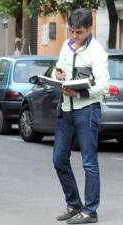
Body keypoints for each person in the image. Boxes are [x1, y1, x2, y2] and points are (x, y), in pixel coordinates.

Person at [52, 8, 109, 224]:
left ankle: (90, 211)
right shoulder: (66, 47)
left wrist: (80, 92)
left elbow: (103, 85)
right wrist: (56, 74)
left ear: (89, 29)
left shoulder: (97, 52)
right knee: (58, 159)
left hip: (87, 110)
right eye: (72, 31)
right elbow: (57, 71)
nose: (74, 36)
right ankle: (73, 204)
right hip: (66, 109)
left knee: (89, 162)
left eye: (79, 32)